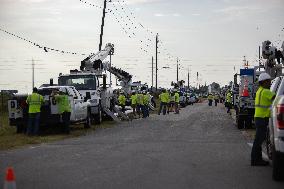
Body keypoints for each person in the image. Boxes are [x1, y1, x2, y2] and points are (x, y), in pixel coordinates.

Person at [251, 73, 275, 166]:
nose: (270, 83)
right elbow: (277, 99)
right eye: (269, 81)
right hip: (262, 118)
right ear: (264, 82)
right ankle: (255, 160)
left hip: (258, 118)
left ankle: (257, 159)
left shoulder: (259, 91)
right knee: (258, 141)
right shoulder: (266, 92)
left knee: (258, 140)